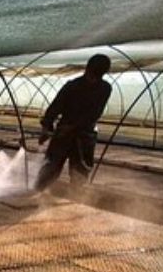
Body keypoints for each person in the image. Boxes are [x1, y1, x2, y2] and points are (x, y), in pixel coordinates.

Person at [34, 54, 112, 190]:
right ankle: (38, 191)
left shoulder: (104, 88)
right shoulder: (72, 86)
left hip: (85, 133)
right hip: (64, 132)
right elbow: (55, 107)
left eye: (97, 76)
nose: (93, 79)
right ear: (87, 69)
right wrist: (47, 126)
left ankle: (76, 197)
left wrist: (72, 127)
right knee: (52, 166)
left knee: (80, 170)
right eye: (92, 75)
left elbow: (94, 113)